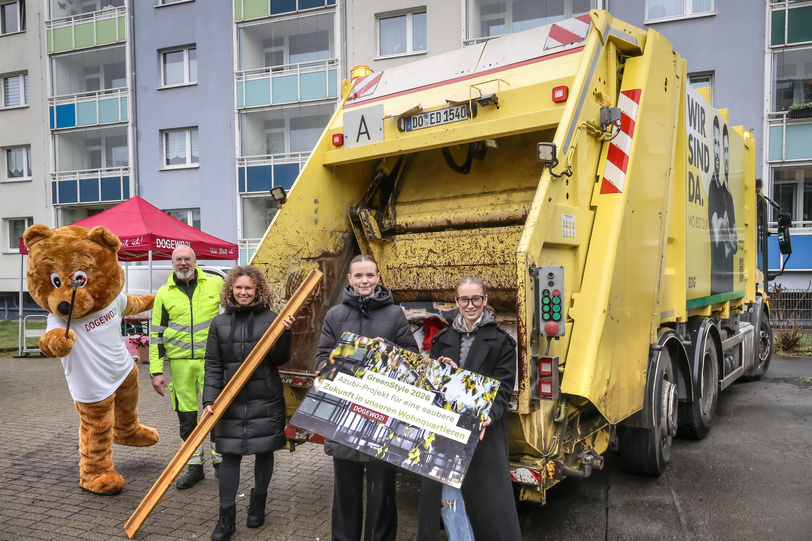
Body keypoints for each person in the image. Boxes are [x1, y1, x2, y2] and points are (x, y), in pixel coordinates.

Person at [316, 254, 418, 541]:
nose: (364, 281)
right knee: (345, 490)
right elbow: (322, 357)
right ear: (349, 279)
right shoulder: (335, 315)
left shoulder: (395, 314)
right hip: (345, 415)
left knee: (382, 491)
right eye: (358, 276)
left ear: (378, 277)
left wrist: (387, 348)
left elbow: (412, 358)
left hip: (383, 416)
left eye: (369, 275)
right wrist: (342, 359)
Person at [417, 275, 521, 541]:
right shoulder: (442, 340)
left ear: (485, 300)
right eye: (464, 299)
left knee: (485, 504)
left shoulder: (502, 343)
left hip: (483, 433)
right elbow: (435, 387)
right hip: (448, 431)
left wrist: (489, 414)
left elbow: (503, 389)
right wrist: (444, 374)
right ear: (456, 302)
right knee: (450, 499)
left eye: (476, 298)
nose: (470, 304)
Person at [202, 265, 294, 541]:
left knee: (264, 451)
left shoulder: (272, 319)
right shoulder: (219, 324)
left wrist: (285, 333)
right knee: (229, 455)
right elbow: (213, 365)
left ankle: (258, 505)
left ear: (258, 291)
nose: (243, 292)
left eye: (248, 288)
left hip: (264, 397)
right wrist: (210, 399)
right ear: (231, 288)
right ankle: (226, 520)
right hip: (229, 400)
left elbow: (279, 360)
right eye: (239, 287)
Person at [149, 245, 223, 489]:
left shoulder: (214, 284)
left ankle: (221, 464)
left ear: (195, 261)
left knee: (216, 415)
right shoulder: (164, 293)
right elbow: (156, 334)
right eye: (178, 259)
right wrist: (156, 371)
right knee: (188, 419)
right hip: (180, 366)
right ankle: (194, 467)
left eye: (187, 259)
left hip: (211, 363)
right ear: (172, 263)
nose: (183, 263)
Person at [707, 118, 737, 295]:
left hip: (728, 282)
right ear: (713, 149)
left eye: (725, 149)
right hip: (717, 282)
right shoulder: (713, 189)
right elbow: (717, 238)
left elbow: (733, 245)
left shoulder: (729, 195)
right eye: (717, 144)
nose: (721, 153)